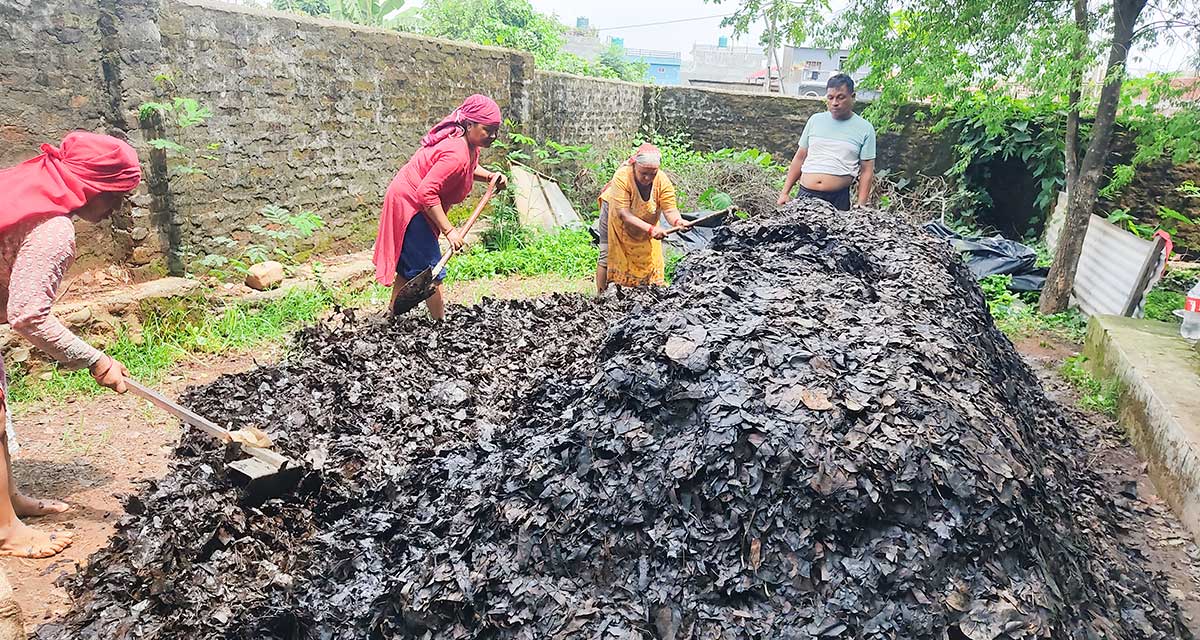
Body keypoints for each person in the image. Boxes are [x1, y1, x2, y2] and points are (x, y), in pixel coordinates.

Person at [0, 131, 140, 558]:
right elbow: (28, 315)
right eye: (118, 193)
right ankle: (5, 531)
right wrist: (95, 359)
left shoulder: (24, 186)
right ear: (93, 186)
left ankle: (9, 502)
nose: (119, 205)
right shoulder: (53, 228)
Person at [373, 95, 507, 320]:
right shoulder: (456, 151)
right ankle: (440, 324)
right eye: (488, 130)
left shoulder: (467, 142)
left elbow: (468, 167)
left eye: (496, 131)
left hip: (414, 199)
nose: (492, 136)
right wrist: (450, 231)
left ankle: (391, 315)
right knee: (432, 272)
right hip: (411, 205)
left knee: (411, 267)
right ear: (469, 124)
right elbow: (426, 193)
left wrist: (490, 177)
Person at [777, 74, 877, 211]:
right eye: (830, 98)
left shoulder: (865, 128)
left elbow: (867, 170)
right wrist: (784, 192)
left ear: (852, 97)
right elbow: (800, 157)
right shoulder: (815, 121)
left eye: (840, 97)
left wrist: (861, 205)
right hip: (806, 195)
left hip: (838, 198)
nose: (835, 102)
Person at [596, 143, 687, 292]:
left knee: (648, 257)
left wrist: (678, 221)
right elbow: (623, 214)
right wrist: (651, 229)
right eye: (643, 173)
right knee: (607, 254)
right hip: (614, 214)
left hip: (644, 222)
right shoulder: (622, 177)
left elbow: (670, 210)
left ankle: (641, 292)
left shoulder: (662, 180)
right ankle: (600, 296)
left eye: (652, 174)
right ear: (634, 166)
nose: (647, 178)